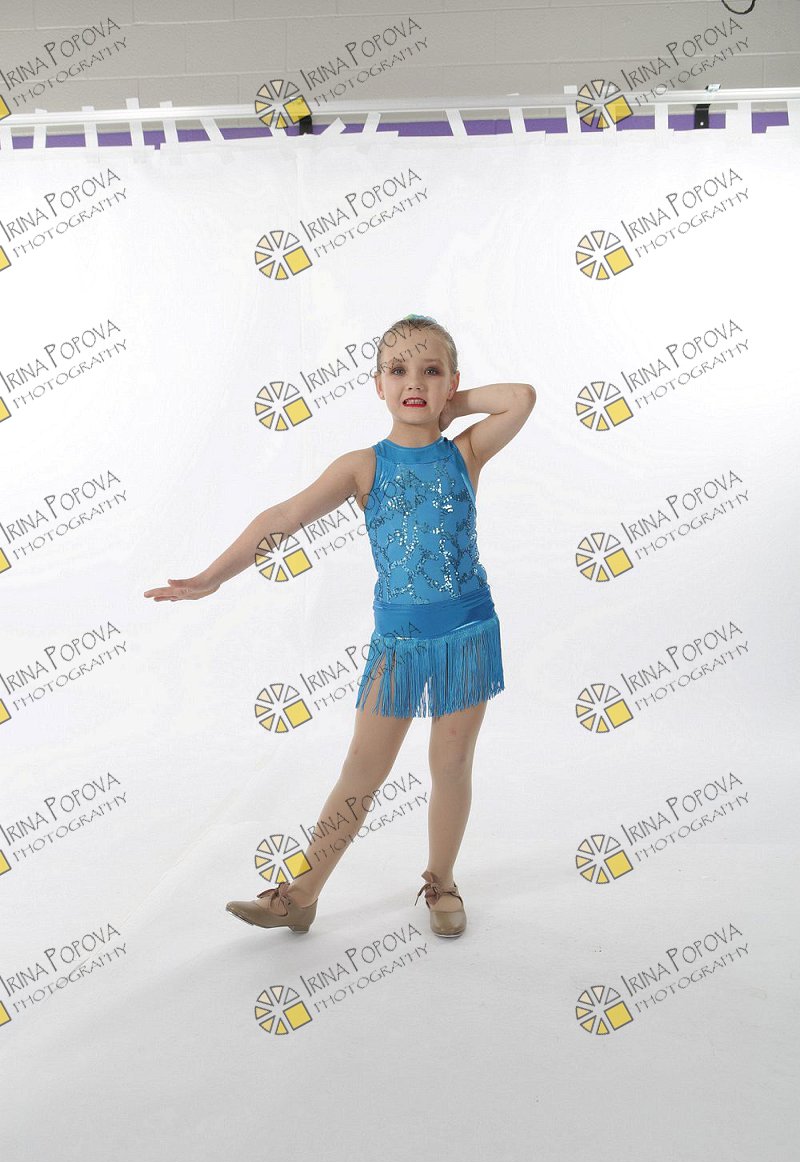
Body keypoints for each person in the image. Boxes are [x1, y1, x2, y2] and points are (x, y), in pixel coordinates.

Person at [143, 314, 536, 938]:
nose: (414, 382)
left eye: (431, 371)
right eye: (398, 371)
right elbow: (284, 516)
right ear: (377, 385)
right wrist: (214, 576)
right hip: (398, 644)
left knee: (450, 763)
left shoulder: (464, 453)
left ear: (453, 381)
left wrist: (448, 408)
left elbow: (521, 398)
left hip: (467, 635)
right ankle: (302, 895)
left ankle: (441, 879)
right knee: (361, 769)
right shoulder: (363, 467)